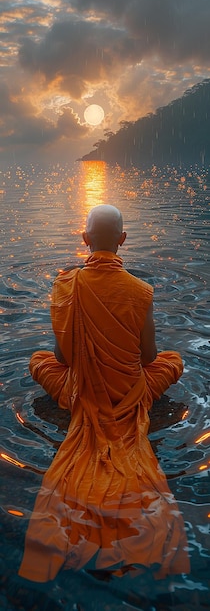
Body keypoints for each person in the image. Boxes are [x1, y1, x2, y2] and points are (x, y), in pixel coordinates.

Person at [19, 204, 189, 583]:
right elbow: (149, 357)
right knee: (173, 361)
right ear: (123, 240)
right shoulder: (141, 290)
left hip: (78, 392)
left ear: (85, 240)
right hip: (132, 392)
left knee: (39, 359)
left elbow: (62, 356)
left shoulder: (66, 285)